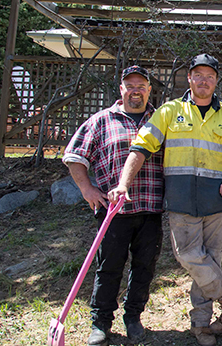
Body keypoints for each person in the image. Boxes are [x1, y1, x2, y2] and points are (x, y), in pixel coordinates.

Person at [108, 55, 222, 346]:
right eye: (197, 75)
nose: (203, 80)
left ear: (216, 80)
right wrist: (123, 183)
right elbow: (140, 147)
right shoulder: (169, 111)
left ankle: (201, 327)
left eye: (209, 76)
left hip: (218, 203)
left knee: (211, 263)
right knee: (189, 257)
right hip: (181, 201)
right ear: (189, 78)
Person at [63, 65, 164, 346]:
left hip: (151, 208)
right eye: (130, 86)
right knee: (109, 267)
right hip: (113, 212)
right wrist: (87, 189)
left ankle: (133, 317)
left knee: (145, 267)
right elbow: (74, 155)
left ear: (148, 90)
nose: (135, 91)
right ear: (121, 89)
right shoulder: (101, 120)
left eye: (141, 86)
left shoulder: (159, 121)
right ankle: (100, 323)